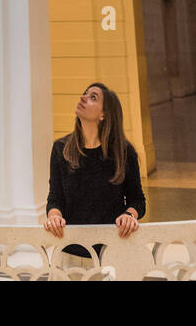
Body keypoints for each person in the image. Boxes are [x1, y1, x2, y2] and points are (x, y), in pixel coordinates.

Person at [43, 82, 145, 260]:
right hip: (69, 250)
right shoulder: (61, 148)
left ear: (104, 114)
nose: (83, 98)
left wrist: (129, 215)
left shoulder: (124, 152)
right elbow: (55, 199)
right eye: (84, 94)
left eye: (93, 97)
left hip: (111, 251)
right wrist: (54, 217)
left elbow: (137, 201)